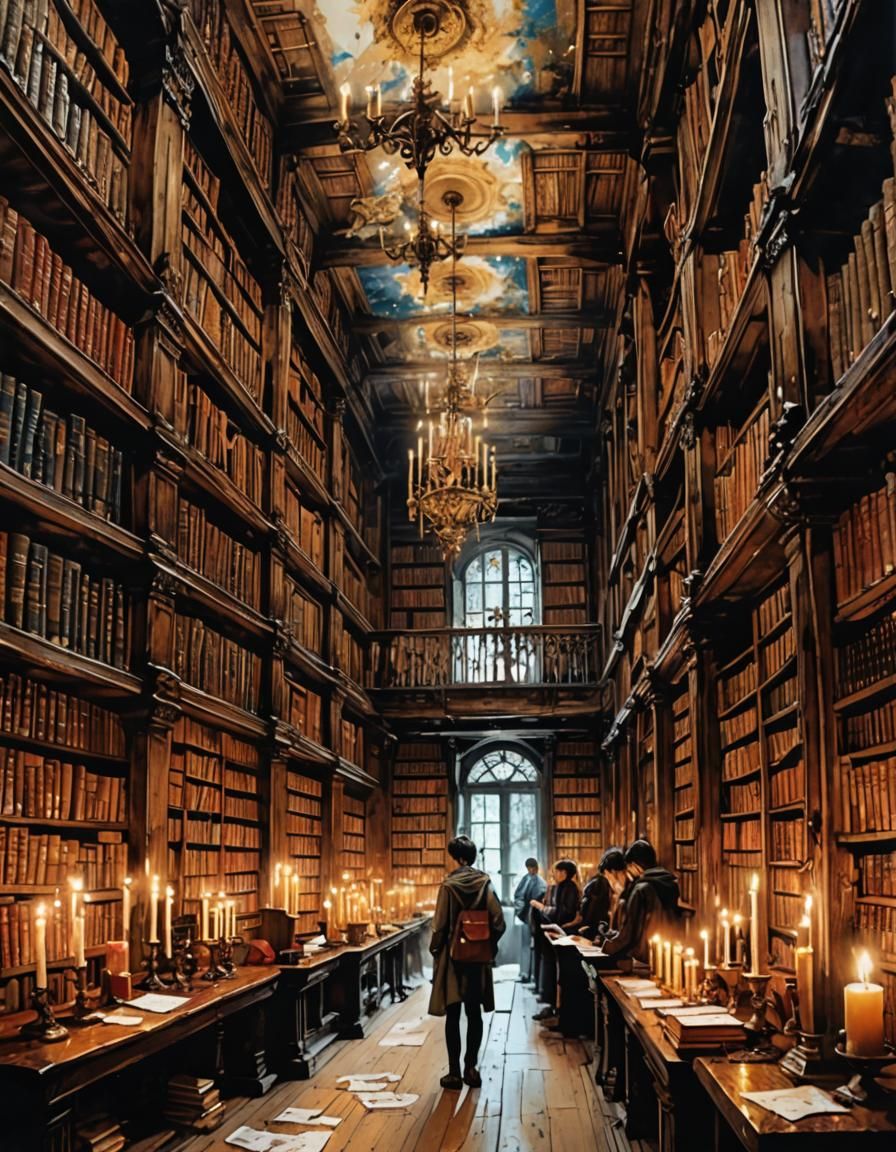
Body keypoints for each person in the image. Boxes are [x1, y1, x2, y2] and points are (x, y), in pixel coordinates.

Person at [428, 835, 505, 1090]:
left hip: (453, 960)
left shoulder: (448, 886)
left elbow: (439, 926)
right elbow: (499, 922)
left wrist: (435, 949)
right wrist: (486, 945)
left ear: (458, 858)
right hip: (478, 959)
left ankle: (454, 1074)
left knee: (453, 1014)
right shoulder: (486, 882)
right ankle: (471, 1069)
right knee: (474, 1013)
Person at [544, 847, 628, 1038]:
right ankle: (570, 1024)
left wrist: (587, 931)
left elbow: (588, 915)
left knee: (573, 981)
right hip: (591, 937)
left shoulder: (598, 885)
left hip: (593, 940)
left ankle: (574, 1026)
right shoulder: (598, 885)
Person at [602, 839, 680, 963]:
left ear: (634, 866)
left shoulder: (640, 889)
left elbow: (627, 935)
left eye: (629, 868)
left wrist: (605, 947)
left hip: (643, 955)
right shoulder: (671, 883)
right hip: (670, 952)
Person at [531, 859, 580, 1021]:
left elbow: (565, 912)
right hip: (555, 931)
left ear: (564, 873)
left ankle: (559, 1010)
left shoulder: (570, 888)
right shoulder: (562, 887)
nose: (554, 874)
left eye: (557, 871)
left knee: (558, 973)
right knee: (551, 969)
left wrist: (543, 910)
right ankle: (553, 1006)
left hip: (562, 933)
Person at [513, 857, 546, 983]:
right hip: (525, 915)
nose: (531, 870)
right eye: (528, 868)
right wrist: (520, 910)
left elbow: (538, 899)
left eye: (532, 868)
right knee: (525, 945)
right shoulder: (526, 878)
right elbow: (518, 895)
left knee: (532, 947)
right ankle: (524, 973)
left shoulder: (540, 882)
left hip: (534, 917)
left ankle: (530, 974)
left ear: (537, 868)